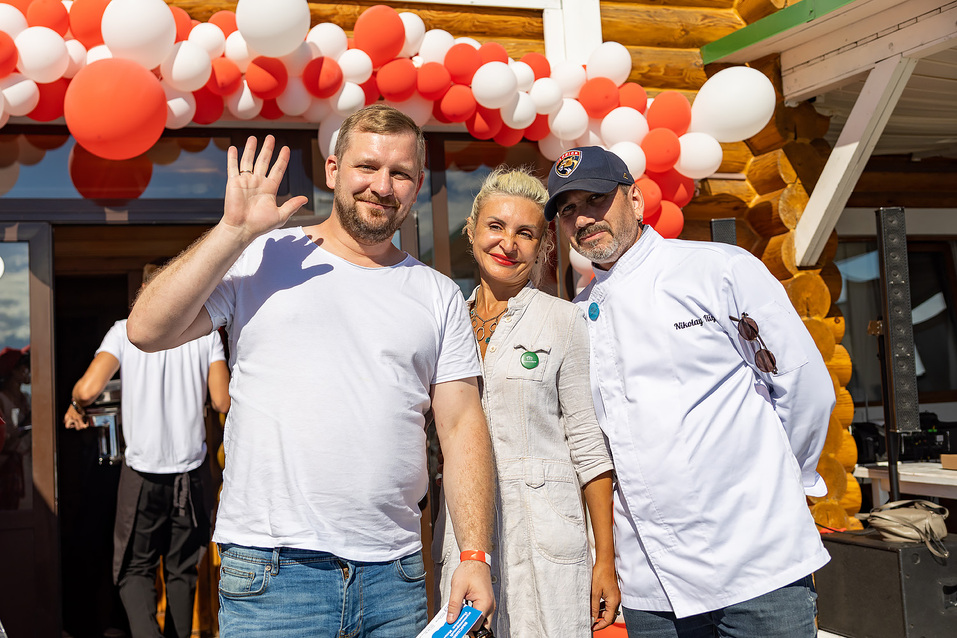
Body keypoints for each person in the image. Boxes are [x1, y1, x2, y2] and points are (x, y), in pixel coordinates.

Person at [125, 104, 495, 636]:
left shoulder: (437, 294)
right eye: (367, 166)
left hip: (396, 579)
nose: (382, 186)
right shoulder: (264, 255)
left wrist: (474, 553)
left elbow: (461, 428)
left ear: (416, 188)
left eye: (400, 174)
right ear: (333, 169)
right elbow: (147, 329)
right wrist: (232, 232)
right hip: (273, 579)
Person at [543, 146, 835, 638]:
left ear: (635, 199)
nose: (583, 218)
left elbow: (803, 386)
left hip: (756, 564)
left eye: (595, 198)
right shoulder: (579, 311)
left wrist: (788, 482)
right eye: (568, 210)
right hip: (651, 585)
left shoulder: (718, 269)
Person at [433, 167, 619, 636]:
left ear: (542, 247)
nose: (507, 244)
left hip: (546, 538)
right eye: (495, 226)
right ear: (472, 232)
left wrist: (605, 559)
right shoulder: (445, 322)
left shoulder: (564, 321)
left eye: (525, 233)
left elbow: (589, 445)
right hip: (465, 537)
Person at [64, 265, 230, 638]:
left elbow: (89, 389)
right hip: (190, 477)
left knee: (133, 571)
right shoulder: (206, 336)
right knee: (182, 572)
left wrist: (76, 404)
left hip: (142, 476)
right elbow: (222, 401)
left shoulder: (123, 332)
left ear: (142, 293)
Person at [0, 345, 30, 510]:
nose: (28, 371)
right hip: (8, 466)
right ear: (13, 371)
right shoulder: (2, 400)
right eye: (24, 367)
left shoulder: (27, 398)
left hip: (28, 464)